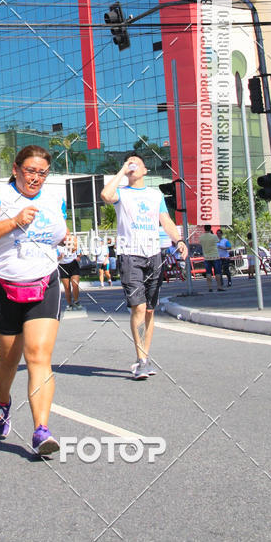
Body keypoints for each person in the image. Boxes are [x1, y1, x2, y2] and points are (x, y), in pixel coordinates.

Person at [0, 145, 67, 456]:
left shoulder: (55, 199)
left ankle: (42, 430)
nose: (36, 178)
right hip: (2, 286)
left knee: (39, 355)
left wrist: (69, 238)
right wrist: (14, 221)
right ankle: (3, 399)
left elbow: (57, 233)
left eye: (42, 173)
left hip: (44, 282)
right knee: (8, 358)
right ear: (16, 169)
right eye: (30, 171)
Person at [101, 155, 188, 380]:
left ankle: (146, 357)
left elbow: (165, 220)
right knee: (138, 308)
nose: (132, 165)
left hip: (153, 254)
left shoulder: (154, 195)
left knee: (149, 309)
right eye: (128, 162)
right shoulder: (121, 193)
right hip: (130, 255)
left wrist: (178, 240)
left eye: (135, 162)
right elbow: (105, 195)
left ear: (145, 170)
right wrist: (121, 171)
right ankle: (140, 360)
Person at [58, 233, 81, 308]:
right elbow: (55, 258)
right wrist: (60, 257)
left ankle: (76, 301)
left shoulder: (72, 242)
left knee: (75, 284)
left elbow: (79, 253)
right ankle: (70, 304)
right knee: (67, 287)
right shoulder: (57, 246)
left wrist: (78, 257)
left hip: (73, 264)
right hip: (63, 266)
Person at [200, 224, 224, 292]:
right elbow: (218, 241)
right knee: (217, 272)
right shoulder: (214, 237)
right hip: (215, 256)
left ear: (204, 229)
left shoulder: (201, 237)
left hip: (206, 257)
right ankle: (219, 286)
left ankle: (210, 287)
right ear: (210, 228)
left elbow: (200, 243)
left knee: (208, 273)